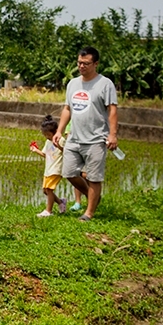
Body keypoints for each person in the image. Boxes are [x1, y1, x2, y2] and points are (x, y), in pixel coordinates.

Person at [52, 46, 119, 221]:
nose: (81, 66)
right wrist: (59, 131)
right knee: (69, 172)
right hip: (74, 138)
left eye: (86, 63)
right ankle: (92, 196)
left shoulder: (105, 84)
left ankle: (89, 213)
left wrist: (112, 135)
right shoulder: (73, 83)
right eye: (79, 63)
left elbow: (112, 110)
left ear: (95, 64)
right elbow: (67, 109)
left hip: (96, 139)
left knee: (94, 177)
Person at [29, 115, 66, 217]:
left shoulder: (61, 140)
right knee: (45, 190)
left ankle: (48, 211)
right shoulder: (48, 142)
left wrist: (58, 146)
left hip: (56, 169)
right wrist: (36, 150)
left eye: (48, 135)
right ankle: (61, 202)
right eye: (45, 135)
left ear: (55, 132)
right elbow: (45, 155)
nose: (47, 137)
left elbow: (67, 152)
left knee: (49, 189)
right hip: (48, 169)